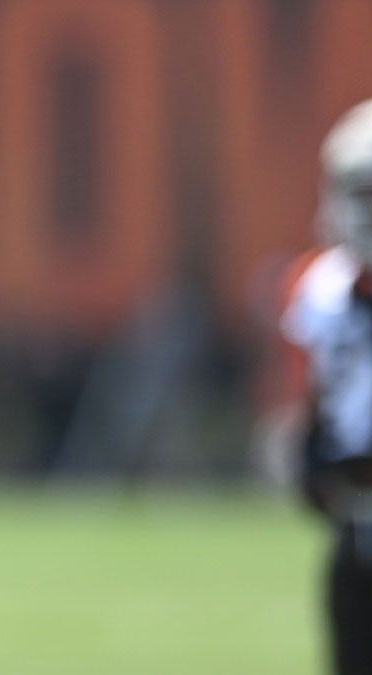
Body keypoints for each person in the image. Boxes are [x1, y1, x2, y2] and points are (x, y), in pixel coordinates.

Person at [280, 98, 372, 675]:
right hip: (357, 524)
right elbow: (313, 401)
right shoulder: (321, 286)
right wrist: (312, 458)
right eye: (359, 193)